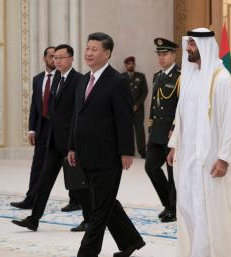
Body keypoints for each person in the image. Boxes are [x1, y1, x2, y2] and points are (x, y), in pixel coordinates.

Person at [167, 28, 231, 257]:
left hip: (210, 157)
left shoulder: (221, 78)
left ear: (205, 46)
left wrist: (224, 158)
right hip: (188, 156)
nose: (189, 49)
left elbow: (229, 121)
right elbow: (180, 116)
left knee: (207, 209)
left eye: (193, 44)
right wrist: (175, 145)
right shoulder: (188, 77)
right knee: (187, 205)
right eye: (188, 44)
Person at [67, 32, 144, 257]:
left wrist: (126, 152)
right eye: (87, 48)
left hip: (107, 157)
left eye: (94, 49)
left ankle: (87, 253)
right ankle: (131, 241)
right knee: (105, 201)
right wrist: (72, 146)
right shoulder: (83, 80)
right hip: (83, 155)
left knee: (98, 210)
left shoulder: (117, 81)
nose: (88, 53)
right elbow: (76, 116)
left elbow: (124, 119)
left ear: (107, 53)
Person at [11, 44, 90, 232]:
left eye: (61, 57)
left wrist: (74, 143)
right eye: (55, 58)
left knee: (77, 183)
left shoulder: (79, 80)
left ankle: (89, 220)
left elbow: (78, 113)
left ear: (71, 59)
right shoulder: (55, 79)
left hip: (70, 142)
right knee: (44, 180)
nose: (57, 61)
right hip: (53, 141)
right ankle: (34, 219)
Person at [10, 46, 59, 210]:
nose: (54, 59)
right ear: (44, 58)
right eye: (51, 56)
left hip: (60, 129)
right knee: (37, 164)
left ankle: (76, 200)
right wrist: (32, 129)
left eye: (57, 56)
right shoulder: (37, 79)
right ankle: (31, 198)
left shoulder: (64, 79)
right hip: (42, 127)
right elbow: (34, 106)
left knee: (68, 165)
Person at [145, 38, 180, 223]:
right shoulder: (157, 75)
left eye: (164, 54)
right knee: (150, 167)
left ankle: (174, 209)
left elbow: (182, 108)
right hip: (158, 132)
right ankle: (168, 203)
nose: (161, 57)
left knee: (173, 173)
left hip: (171, 133)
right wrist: (150, 127)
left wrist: (175, 130)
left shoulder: (180, 76)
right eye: (159, 54)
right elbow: (153, 105)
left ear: (173, 55)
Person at [122, 56, 148, 158]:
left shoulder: (141, 76)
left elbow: (144, 92)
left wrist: (137, 105)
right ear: (126, 65)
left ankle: (142, 152)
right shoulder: (121, 77)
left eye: (132, 63)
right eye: (128, 64)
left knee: (139, 131)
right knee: (127, 131)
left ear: (134, 64)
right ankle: (129, 151)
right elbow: (120, 94)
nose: (130, 65)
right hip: (126, 110)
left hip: (138, 109)